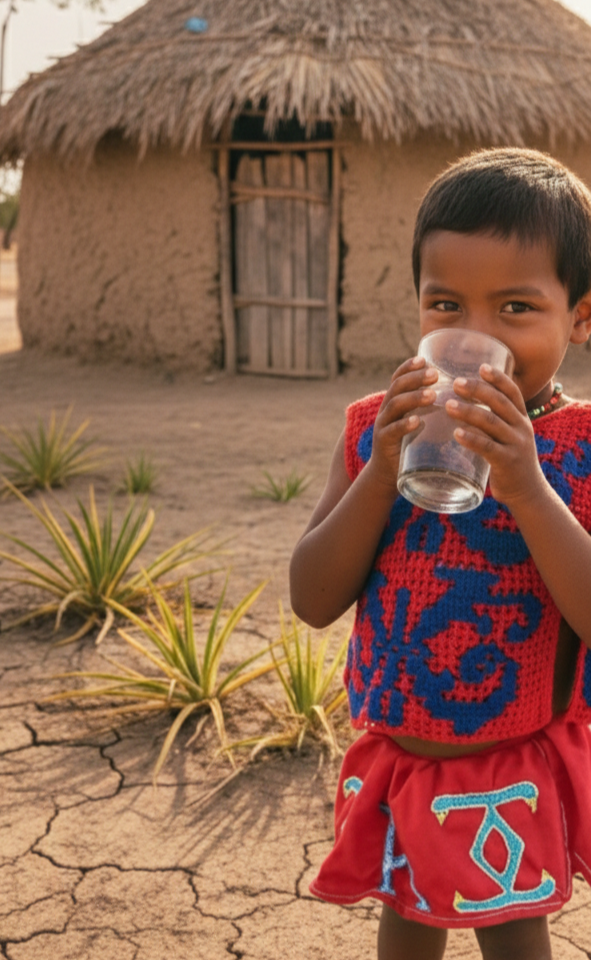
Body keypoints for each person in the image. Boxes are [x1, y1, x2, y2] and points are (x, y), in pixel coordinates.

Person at [289, 147, 591, 960]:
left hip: (510, 759)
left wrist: (527, 486)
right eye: (447, 304)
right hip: (398, 758)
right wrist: (380, 472)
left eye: (516, 308)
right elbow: (313, 597)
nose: (474, 337)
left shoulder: (581, 449)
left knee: (514, 933)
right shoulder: (373, 427)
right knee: (406, 927)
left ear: (583, 317)